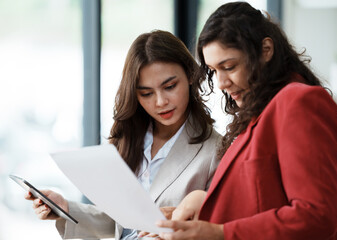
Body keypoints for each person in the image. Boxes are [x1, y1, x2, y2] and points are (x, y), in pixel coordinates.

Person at [156, 2, 337, 240]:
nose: (221, 82)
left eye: (229, 66)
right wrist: (200, 215)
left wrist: (219, 232)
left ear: (266, 50)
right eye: (214, 70)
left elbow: (317, 215)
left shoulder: (300, 102)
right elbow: (262, 200)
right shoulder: (260, 113)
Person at [25, 30, 221, 239]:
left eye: (170, 86)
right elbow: (120, 223)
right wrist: (65, 208)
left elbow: (217, 229)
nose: (160, 102)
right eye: (146, 93)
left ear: (190, 75)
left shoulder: (215, 151)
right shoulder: (131, 139)